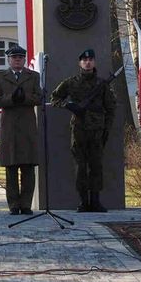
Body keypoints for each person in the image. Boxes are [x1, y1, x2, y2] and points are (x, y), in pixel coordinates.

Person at [51, 48, 115, 212]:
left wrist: (106, 128)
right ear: (80, 63)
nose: (88, 62)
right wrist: (68, 105)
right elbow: (55, 98)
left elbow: (110, 108)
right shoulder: (71, 82)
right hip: (79, 130)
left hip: (97, 130)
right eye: (84, 60)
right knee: (80, 167)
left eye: (91, 60)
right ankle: (83, 201)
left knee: (96, 166)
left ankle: (95, 201)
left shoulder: (102, 84)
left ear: (94, 62)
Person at [0, 44, 42, 215]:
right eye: (14, 58)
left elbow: (39, 97)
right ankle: (13, 204)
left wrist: (24, 97)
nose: (17, 60)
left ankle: (26, 204)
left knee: (28, 167)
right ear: (9, 60)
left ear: (24, 59)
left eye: (20, 57)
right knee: (11, 167)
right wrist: (11, 98)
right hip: (10, 126)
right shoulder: (1, 76)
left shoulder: (33, 76)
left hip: (27, 126)